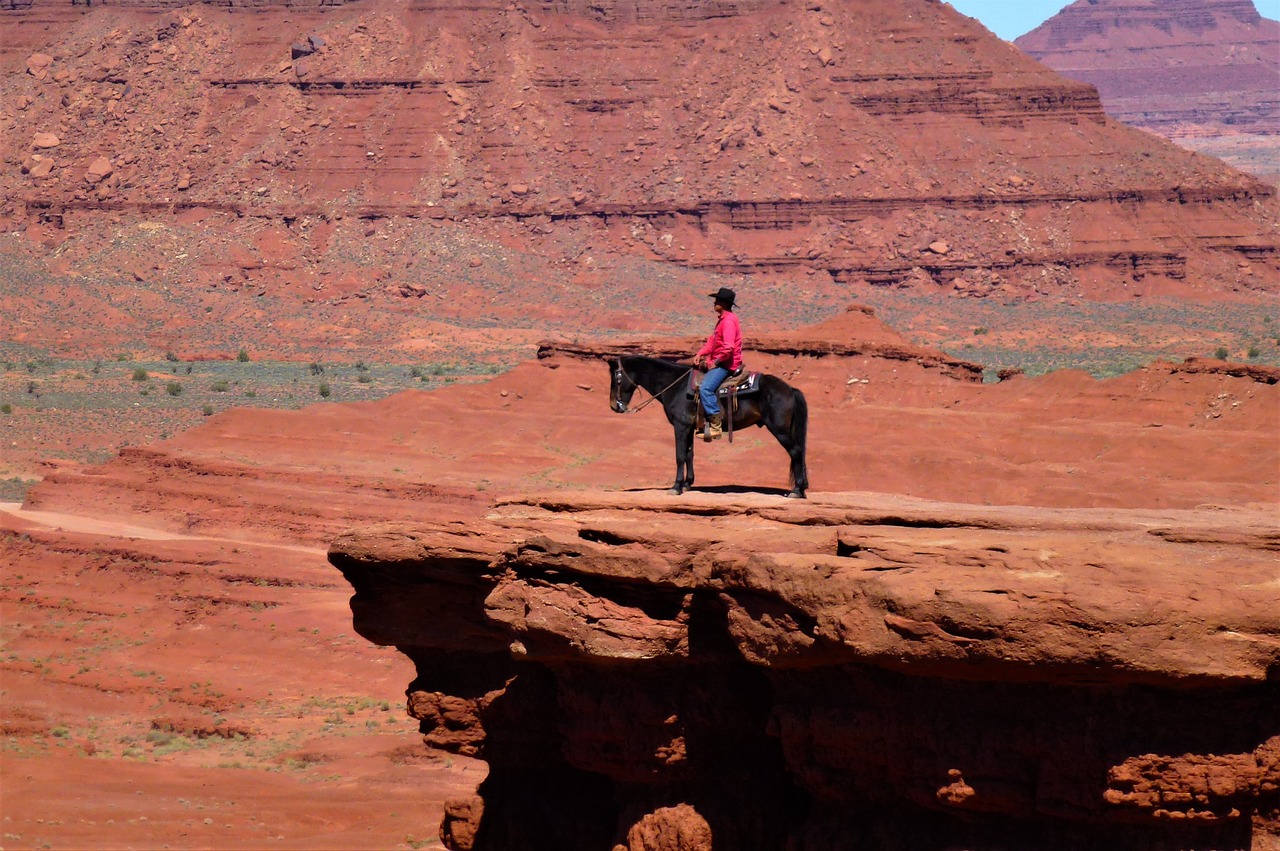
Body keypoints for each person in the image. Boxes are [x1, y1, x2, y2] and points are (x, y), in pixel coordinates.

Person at [693, 286, 742, 440]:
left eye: (718, 300)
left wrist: (715, 363)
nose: (715, 302)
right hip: (720, 361)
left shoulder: (728, 321)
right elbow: (712, 344)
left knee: (706, 388)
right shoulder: (721, 321)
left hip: (727, 364)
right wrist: (700, 353)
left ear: (726, 304)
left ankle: (715, 426)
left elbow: (728, 349)